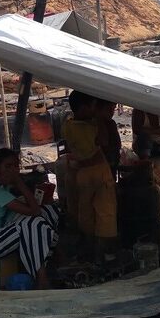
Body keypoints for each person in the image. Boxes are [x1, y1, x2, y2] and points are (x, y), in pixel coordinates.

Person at [0, 148, 59, 289]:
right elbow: (34, 211)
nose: (14, 170)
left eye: (16, 165)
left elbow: (36, 209)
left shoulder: (2, 186)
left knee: (49, 210)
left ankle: (50, 256)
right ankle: (41, 276)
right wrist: (20, 184)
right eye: (8, 166)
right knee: (32, 223)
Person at [63, 91, 117, 260]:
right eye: (93, 106)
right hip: (99, 170)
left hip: (81, 173)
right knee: (105, 211)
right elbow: (104, 142)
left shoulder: (67, 126)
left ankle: (90, 250)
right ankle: (104, 253)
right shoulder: (95, 124)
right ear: (84, 107)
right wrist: (101, 121)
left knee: (85, 211)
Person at [95, 99, 121, 176]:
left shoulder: (111, 123)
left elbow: (118, 145)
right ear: (98, 109)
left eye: (113, 109)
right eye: (108, 109)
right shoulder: (94, 124)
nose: (111, 112)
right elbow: (104, 142)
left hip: (111, 158)